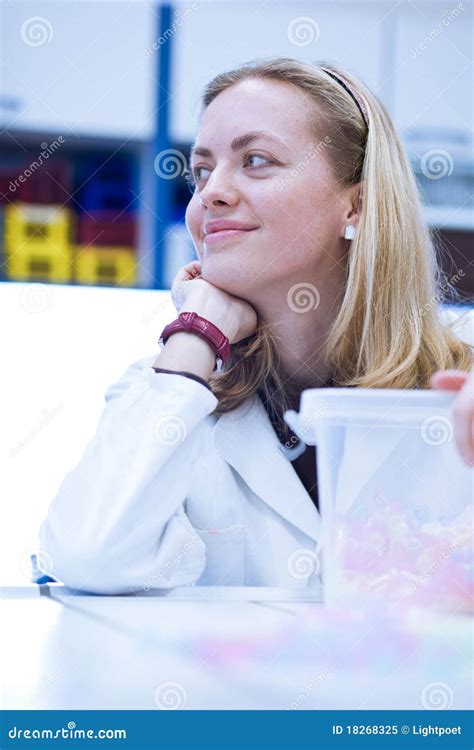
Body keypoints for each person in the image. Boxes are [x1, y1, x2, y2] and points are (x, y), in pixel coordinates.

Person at [38, 58, 473, 594]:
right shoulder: (172, 386)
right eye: (202, 170)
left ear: (356, 205)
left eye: (256, 160)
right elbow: (87, 555)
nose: (210, 193)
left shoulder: (460, 388)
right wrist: (197, 332)